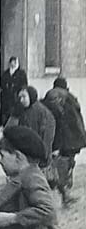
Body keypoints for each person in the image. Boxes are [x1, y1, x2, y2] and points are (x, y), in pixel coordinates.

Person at [43, 77, 86, 206]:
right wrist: (82, 137)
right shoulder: (70, 99)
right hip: (68, 140)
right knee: (65, 164)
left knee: (54, 165)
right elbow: (76, 121)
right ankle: (65, 192)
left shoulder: (47, 99)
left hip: (54, 138)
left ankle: (61, 190)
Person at [5, 86, 56, 162]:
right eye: (20, 97)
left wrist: (44, 154)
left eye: (24, 97)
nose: (21, 100)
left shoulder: (42, 112)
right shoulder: (20, 110)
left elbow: (47, 136)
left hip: (37, 155)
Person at [0, 55, 28, 126]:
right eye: (12, 62)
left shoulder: (21, 73)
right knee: (6, 113)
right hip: (6, 98)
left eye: (15, 62)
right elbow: (1, 83)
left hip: (16, 98)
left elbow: (24, 84)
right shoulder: (5, 73)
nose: (13, 64)